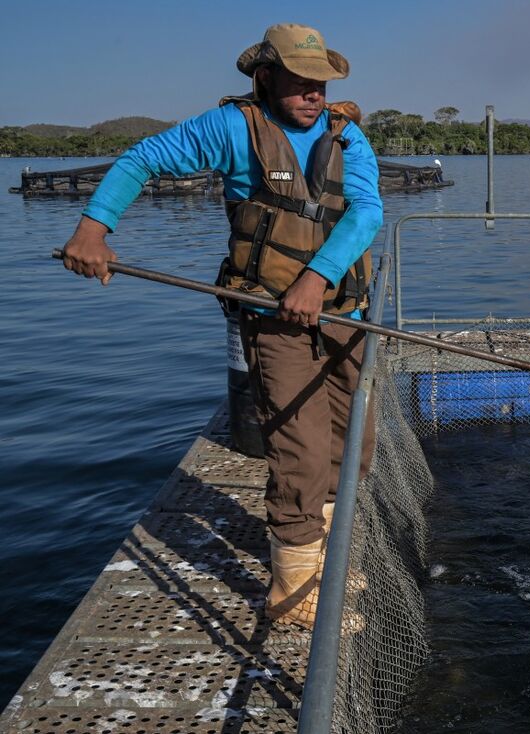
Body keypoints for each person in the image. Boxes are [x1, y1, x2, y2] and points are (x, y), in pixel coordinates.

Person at [60, 23, 384, 631]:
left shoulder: (348, 133)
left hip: (346, 311)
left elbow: (367, 210)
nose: (313, 92)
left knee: (352, 443)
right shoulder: (233, 127)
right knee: (302, 448)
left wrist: (318, 277)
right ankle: (295, 596)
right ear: (264, 77)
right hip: (273, 316)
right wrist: (94, 228)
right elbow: (143, 159)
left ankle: (327, 557)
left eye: (320, 81)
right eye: (298, 79)